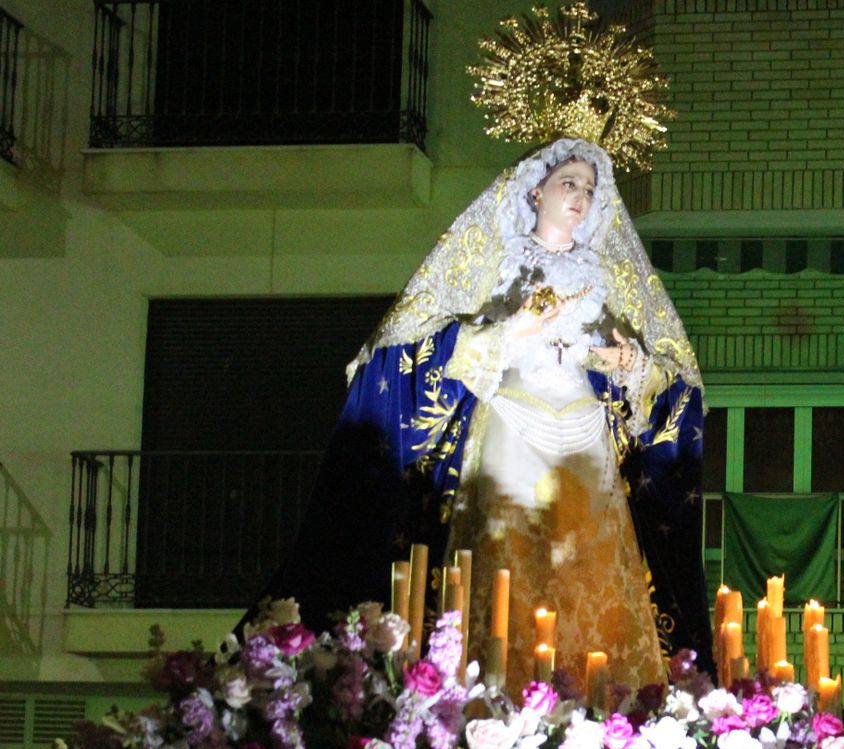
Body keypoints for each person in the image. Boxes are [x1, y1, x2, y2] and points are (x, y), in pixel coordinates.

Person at [268, 137, 711, 694]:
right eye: (567, 184)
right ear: (536, 190)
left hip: (583, 434)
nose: (580, 197)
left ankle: (598, 703)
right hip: (511, 422)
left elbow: (666, 381)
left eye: (590, 189)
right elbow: (420, 345)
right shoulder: (495, 260)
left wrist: (629, 364)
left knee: (589, 573)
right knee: (509, 560)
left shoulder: (606, 277)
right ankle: (498, 696)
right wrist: (509, 332)